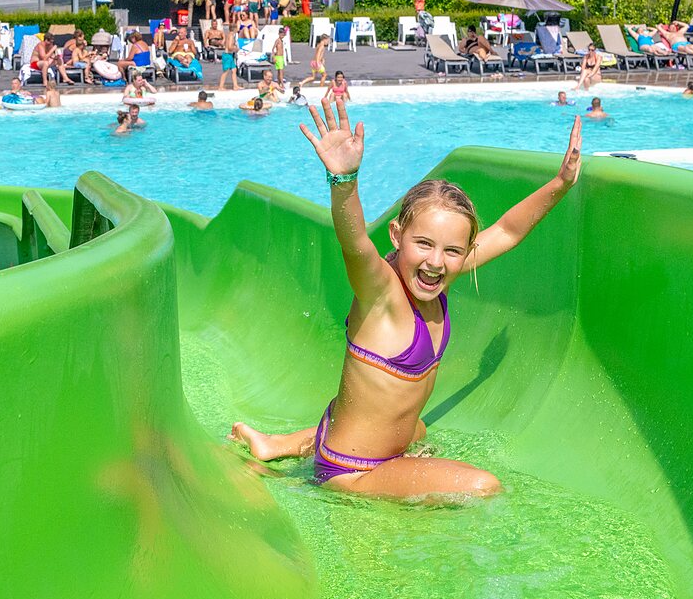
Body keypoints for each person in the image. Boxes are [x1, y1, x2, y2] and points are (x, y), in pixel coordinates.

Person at [228, 103, 583, 499]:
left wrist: (561, 183)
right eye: (424, 244)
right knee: (484, 485)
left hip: (352, 434)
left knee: (418, 429)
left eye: (452, 250)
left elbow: (507, 230)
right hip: (355, 470)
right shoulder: (381, 294)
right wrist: (343, 180)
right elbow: (356, 243)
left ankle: (278, 444)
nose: (435, 261)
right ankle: (312, 464)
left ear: (466, 251)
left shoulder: (437, 275)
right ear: (397, 236)